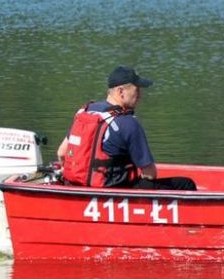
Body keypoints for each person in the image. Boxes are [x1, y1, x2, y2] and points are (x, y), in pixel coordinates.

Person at [57, 66, 197, 190]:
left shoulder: (86, 112)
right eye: (137, 90)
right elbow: (150, 173)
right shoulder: (128, 123)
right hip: (115, 189)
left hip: (78, 185)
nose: (140, 96)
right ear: (121, 91)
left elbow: (62, 153)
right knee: (186, 184)